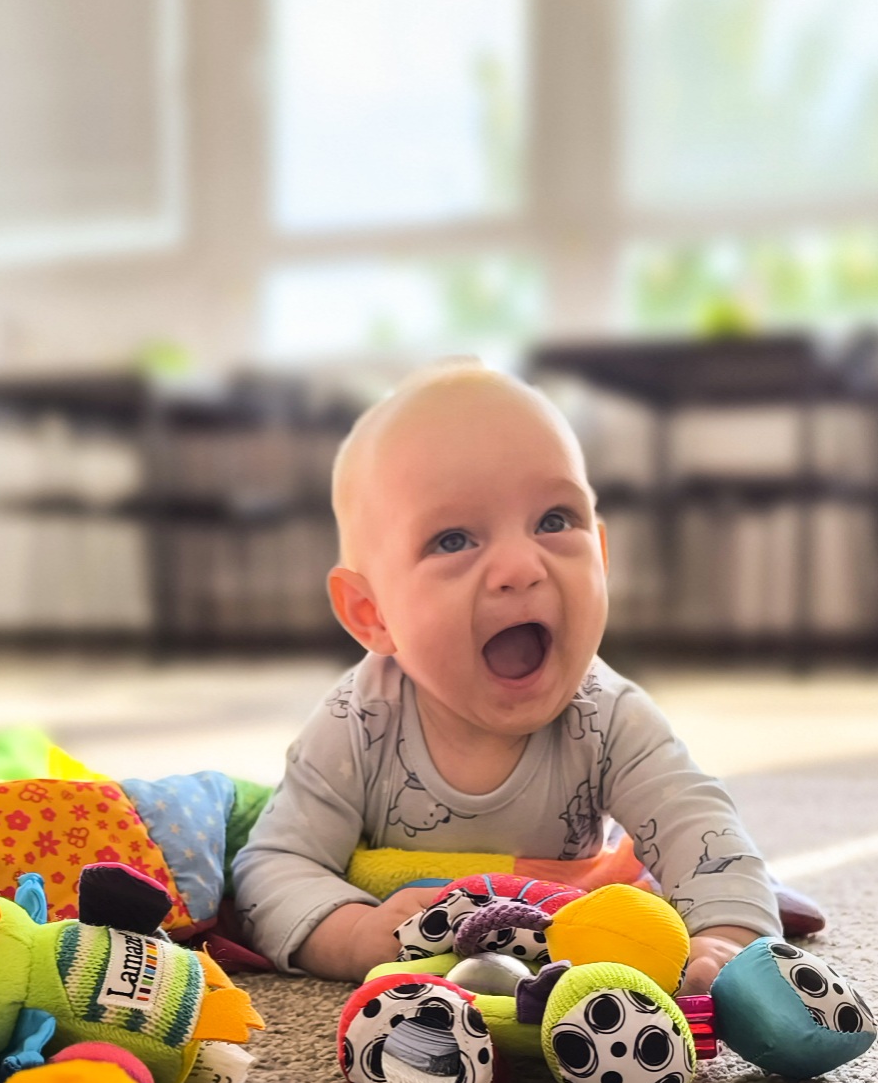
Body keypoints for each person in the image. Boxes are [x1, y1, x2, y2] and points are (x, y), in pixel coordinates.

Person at [232, 359, 797, 994]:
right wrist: (355, 933)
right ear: (372, 613)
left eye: (554, 521)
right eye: (453, 540)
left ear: (601, 557)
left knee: (698, 881)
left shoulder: (609, 716)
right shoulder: (357, 722)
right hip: (429, 967)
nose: (521, 567)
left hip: (567, 939)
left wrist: (726, 936)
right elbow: (273, 867)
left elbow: (701, 830)